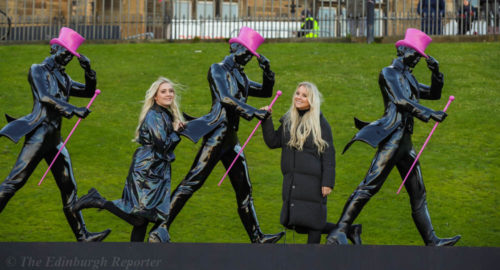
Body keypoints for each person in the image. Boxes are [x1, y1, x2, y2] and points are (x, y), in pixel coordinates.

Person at [326, 28, 461, 246]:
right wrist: (429, 113)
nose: (417, 58)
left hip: (405, 142)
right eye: (415, 53)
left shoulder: (410, 78)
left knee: (418, 192)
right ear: (402, 49)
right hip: (393, 137)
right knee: (370, 184)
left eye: (420, 55)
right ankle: (340, 230)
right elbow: (399, 100)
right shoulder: (388, 73)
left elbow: (435, 94)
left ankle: (431, 240)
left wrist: (436, 74)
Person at [171, 27, 285, 243]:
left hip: (231, 138)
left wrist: (268, 72)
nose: (249, 57)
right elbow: (225, 98)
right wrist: (253, 112)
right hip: (217, 133)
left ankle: (256, 237)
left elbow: (266, 92)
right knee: (193, 181)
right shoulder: (218, 69)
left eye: (252, 54)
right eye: (247, 51)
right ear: (235, 47)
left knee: (245, 189)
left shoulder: (241, 76)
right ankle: (161, 227)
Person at [0, 27, 110, 242]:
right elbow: (44, 97)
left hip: (55, 140)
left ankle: (83, 236)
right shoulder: (37, 70)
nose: (68, 57)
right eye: (65, 52)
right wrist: (73, 109)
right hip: (39, 135)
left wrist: (89, 71)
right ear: (54, 47)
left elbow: (88, 92)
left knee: (69, 186)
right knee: (14, 182)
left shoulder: (65, 77)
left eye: (71, 54)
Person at [73, 77, 184, 242]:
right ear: (155, 96)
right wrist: (176, 133)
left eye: (171, 91)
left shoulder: (165, 114)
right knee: (140, 218)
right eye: (164, 91)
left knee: (143, 220)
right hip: (147, 171)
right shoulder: (154, 115)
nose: (169, 94)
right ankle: (98, 201)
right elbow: (163, 145)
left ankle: (134, 258)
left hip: (155, 169)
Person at [260, 82, 362, 244]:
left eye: (304, 95)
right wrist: (266, 120)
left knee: (313, 224)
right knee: (297, 223)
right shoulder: (289, 120)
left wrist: (327, 182)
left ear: (311, 100)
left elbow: (329, 155)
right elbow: (273, 142)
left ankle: (312, 260)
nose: (299, 97)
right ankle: (349, 230)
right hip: (293, 180)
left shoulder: (320, 123)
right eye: (297, 93)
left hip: (313, 183)